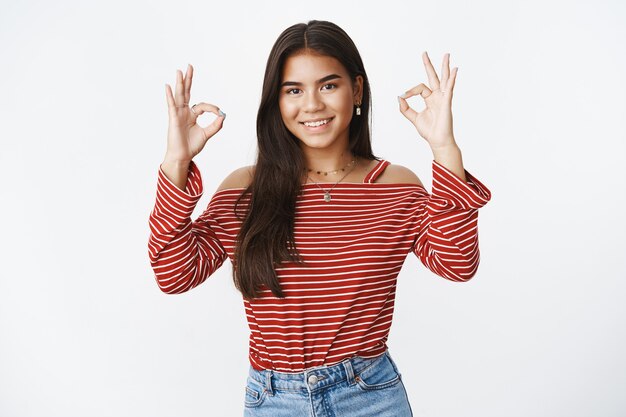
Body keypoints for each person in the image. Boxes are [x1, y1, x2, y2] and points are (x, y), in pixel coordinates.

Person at [148, 20, 491, 417]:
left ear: (357, 89)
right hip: (274, 401)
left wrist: (444, 147)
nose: (311, 105)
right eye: (293, 90)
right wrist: (176, 161)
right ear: (276, 101)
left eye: (328, 85)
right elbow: (173, 275)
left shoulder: (395, 186)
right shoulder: (245, 191)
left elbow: (458, 264)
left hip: (371, 398)